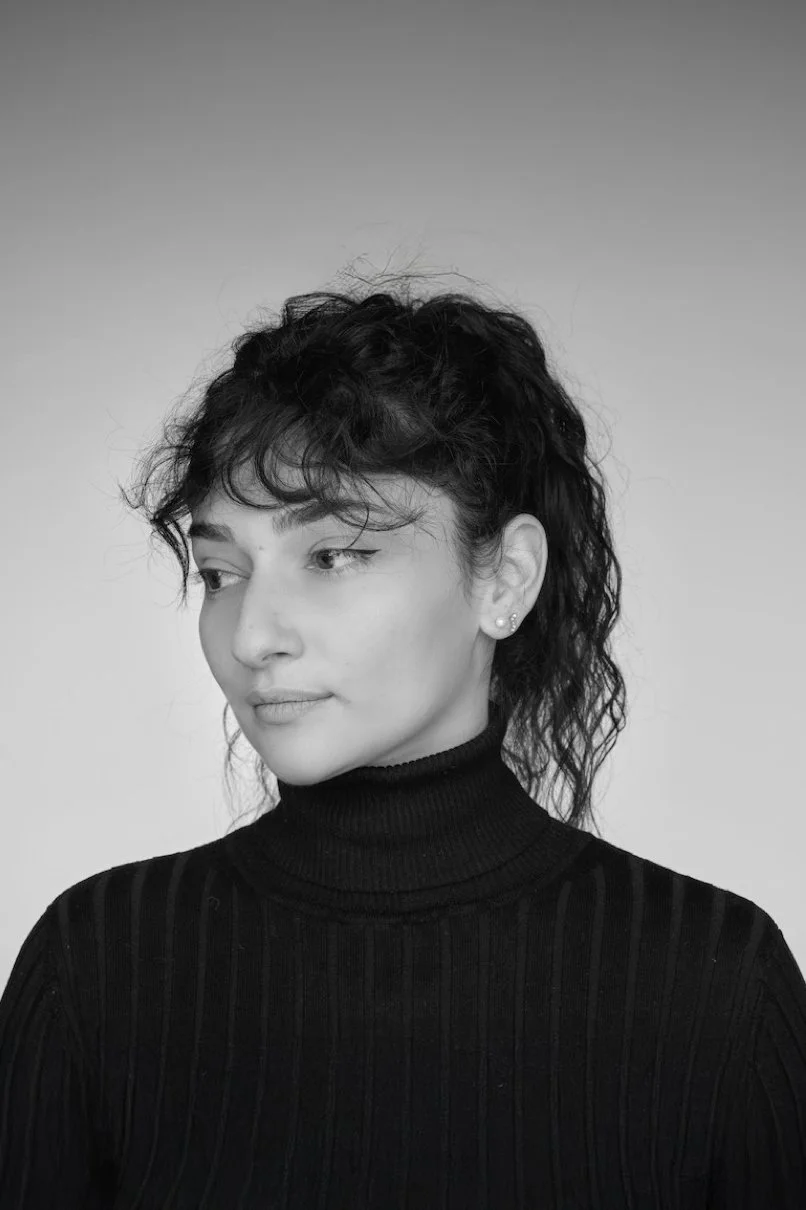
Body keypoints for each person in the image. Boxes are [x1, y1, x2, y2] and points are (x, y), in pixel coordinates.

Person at [1, 271, 804, 1208]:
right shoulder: (98, 964)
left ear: (505, 579)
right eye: (220, 572)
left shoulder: (718, 979)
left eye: (335, 554)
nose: (252, 636)